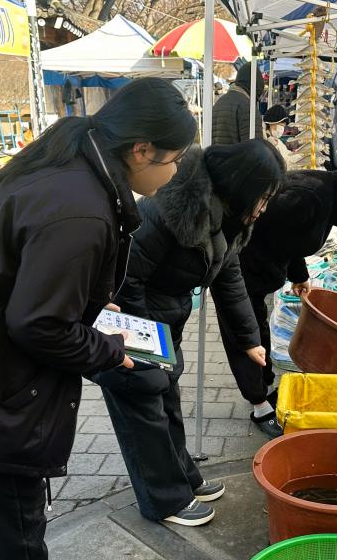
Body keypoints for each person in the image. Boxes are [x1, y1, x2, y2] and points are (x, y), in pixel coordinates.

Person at [0, 77, 196, 559]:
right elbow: (38, 325)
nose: (176, 170)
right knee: (11, 539)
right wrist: (109, 351)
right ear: (142, 150)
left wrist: (85, 304)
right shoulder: (83, 208)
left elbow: (22, 274)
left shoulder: (63, 161)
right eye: (175, 159)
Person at [101, 139, 285, 526]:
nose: (264, 208)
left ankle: (181, 476)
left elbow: (229, 276)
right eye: (264, 198)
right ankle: (164, 500)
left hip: (164, 318)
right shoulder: (172, 207)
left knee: (167, 398)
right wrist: (146, 343)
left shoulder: (228, 216)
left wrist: (250, 339)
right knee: (145, 407)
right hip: (129, 323)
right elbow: (126, 278)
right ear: (243, 185)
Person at [227, 166, 337, 435]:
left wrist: (299, 275)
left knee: (257, 329)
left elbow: (290, 240)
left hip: (258, 276)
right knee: (245, 335)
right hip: (238, 272)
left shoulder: (325, 195)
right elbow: (257, 232)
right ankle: (258, 404)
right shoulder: (307, 197)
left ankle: (263, 386)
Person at [212, 62, 264, 144]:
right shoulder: (247, 106)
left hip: (216, 152)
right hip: (239, 152)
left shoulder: (219, 102)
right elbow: (255, 147)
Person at [264, 104, 301, 169]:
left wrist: (301, 156)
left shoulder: (277, 141)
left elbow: (287, 156)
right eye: (281, 125)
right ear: (271, 123)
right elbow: (283, 164)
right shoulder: (265, 140)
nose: (282, 129)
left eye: (283, 126)